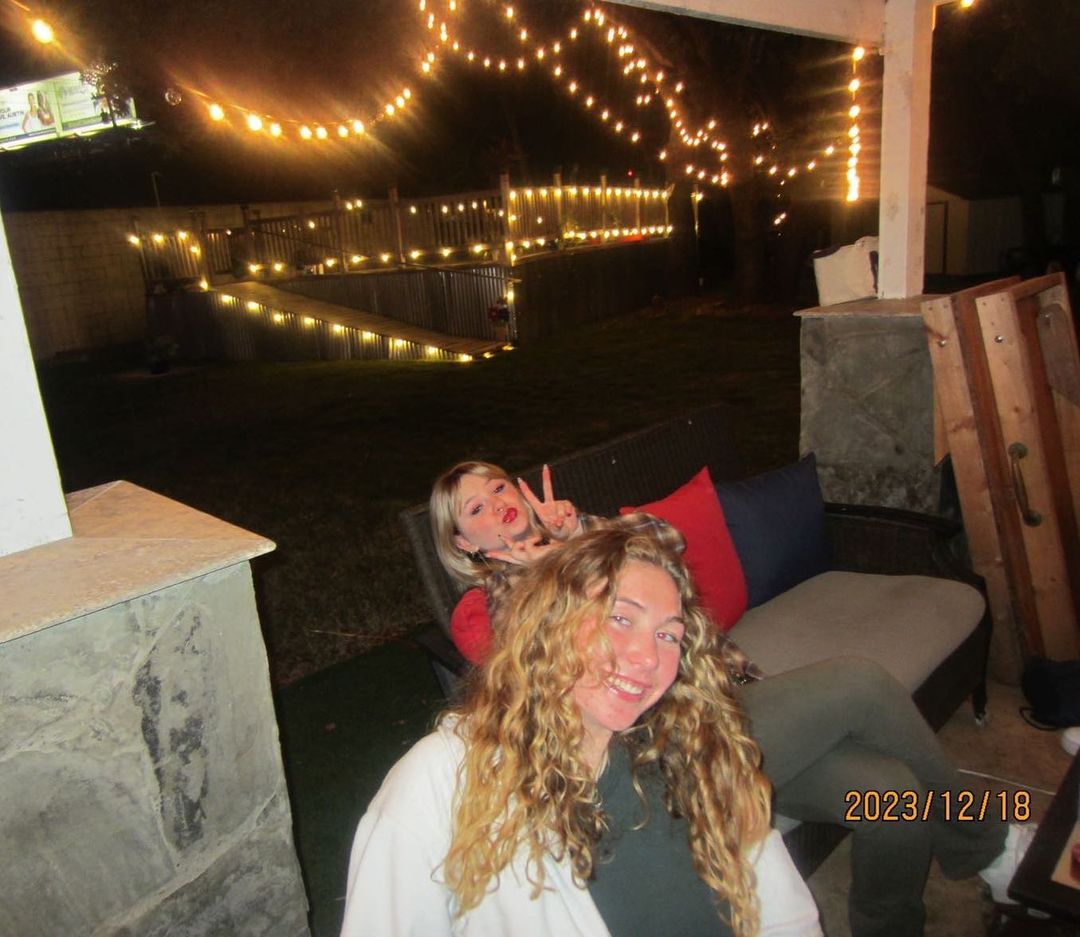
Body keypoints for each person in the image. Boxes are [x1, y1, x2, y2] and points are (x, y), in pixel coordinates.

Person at [427, 460, 1029, 937]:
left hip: (735, 702)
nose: (498, 503)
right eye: (476, 508)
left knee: (894, 797)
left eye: (499, 486)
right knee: (860, 681)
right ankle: (988, 844)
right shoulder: (501, 600)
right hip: (681, 742)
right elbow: (543, 673)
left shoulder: (585, 539)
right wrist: (549, 573)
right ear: (463, 542)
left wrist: (579, 534)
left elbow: (670, 541)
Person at [341, 517, 822, 936]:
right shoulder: (442, 782)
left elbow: (786, 917)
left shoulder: (692, 750)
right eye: (620, 618)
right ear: (552, 623)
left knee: (867, 789)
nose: (647, 656)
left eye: (667, 635)